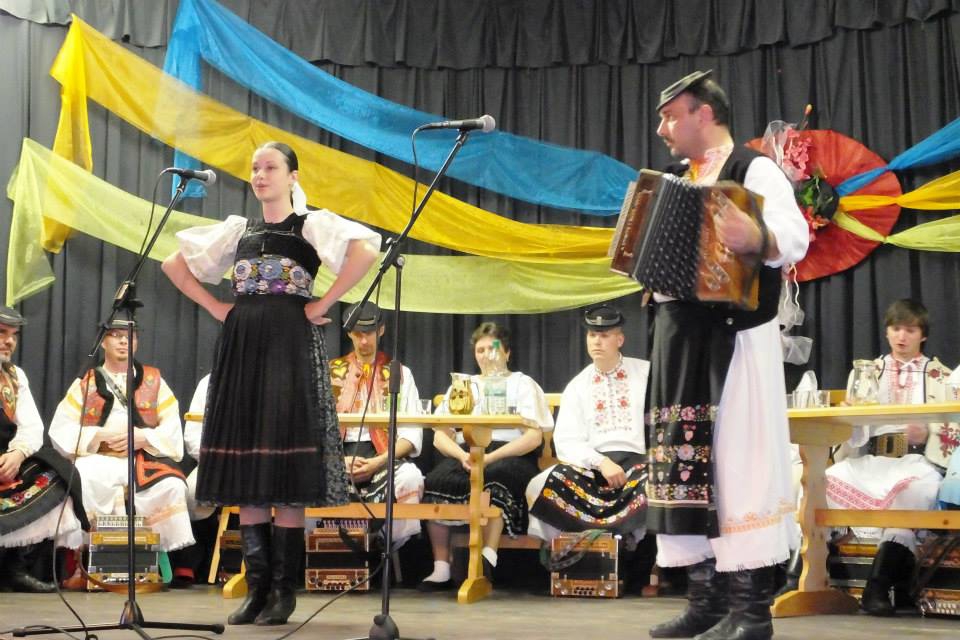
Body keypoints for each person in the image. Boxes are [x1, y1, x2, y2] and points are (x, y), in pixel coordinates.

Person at [161, 141, 380, 625]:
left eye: (270, 167)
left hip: (289, 345)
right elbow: (172, 265)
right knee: (250, 469)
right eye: (255, 168)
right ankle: (256, 588)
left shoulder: (309, 225)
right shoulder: (239, 230)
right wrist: (218, 308)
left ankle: (283, 590)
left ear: (292, 176)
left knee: (285, 468)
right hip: (243, 347)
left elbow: (366, 251)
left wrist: (322, 304)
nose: (260, 175)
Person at [644, 70, 809, 640]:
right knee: (688, 469)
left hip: (733, 340)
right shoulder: (673, 180)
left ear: (704, 114)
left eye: (671, 117)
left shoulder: (753, 169)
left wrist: (756, 238)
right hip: (679, 341)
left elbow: (794, 237)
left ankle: (752, 613)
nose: (662, 129)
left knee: (738, 466)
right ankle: (707, 604)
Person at [824, 299, 956, 616]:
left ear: (923, 335)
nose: (901, 336)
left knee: (913, 493)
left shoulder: (941, 376)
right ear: (886, 332)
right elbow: (852, 433)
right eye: (896, 329)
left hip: (918, 462)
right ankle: (804, 580)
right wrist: (852, 420)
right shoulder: (867, 371)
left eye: (910, 330)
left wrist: (928, 435)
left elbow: (955, 425)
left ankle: (877, 587)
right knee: (825, 480)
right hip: (874, 460)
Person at [418, 322, 554, 591]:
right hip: (467, 453)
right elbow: (439, 435)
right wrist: (461, 455)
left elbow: (533, 438)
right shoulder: (463, 385)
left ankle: (486, 558)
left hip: (510, 453)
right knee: (436, 481)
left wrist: (489, 458)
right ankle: (441, 567)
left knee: (495, 479)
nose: (486, 355)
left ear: (507, 353)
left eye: (493, 348)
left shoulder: (522, 384)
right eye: (480, 350)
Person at [49, 321, 194, 559]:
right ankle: (82, 560)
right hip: (97, 458)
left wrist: (143, 437)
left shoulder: (153, 380)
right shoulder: (87, 382)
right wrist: (98, 436)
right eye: (116, 335)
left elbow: (172, 426)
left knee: (172, 486)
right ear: (103, 342)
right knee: (80, 480)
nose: (124, 341)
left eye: (130, 336)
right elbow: (61, 428)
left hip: (141, 459)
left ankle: (149, 559)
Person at [526, 304, 648, 545]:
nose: (597, 342)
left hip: (639, 463)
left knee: (657, 482)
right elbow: (567, 440)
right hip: (594, 467)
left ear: (620, 339)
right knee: (545, 483)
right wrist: (601, 462)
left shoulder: (645, 374)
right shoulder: (578, 385)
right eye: (592, 335)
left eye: (604, 335)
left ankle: (634, 550)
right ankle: (577, 551)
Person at [0, 305, 87, 592]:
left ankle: (14, 568)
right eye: (2, 333)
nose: (9, 341)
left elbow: (32, 427)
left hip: (5, 459)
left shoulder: (15, 377)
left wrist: (17, 454)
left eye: (13, 335)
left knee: (57, 474)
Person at [330, 301, 425, 549]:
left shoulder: (399, 373)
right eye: (358, 334)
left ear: (381, 330)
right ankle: (324, 545)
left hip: (382, 455)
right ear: (349, 334)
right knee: (303, 476)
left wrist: (378, 462)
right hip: (337, 455)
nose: (364, 341)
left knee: (411, 477)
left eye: (369, 333)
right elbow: (313, 430)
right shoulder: (329, 373)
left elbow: (411, 434)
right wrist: (337, 461)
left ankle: (383, 544)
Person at [167, 373, 217, 588]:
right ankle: (191, 561)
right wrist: (216, 459)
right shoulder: (210, 382)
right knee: (191, 492)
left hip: (262, 462)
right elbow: (193, 436)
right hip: (217, 460)